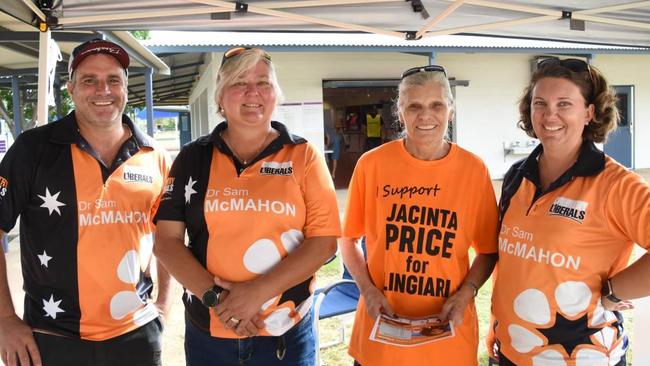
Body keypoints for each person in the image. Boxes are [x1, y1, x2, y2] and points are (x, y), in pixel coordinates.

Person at [153, 47, 340, 366]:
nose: (253, 92)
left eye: (263, 82)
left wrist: (256, 293)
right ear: (221, 97)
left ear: (275, 94)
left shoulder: (303, 156)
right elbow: (166, 242)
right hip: (209, 331)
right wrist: (218, 300)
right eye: (240, 81)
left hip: (285, 332)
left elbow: (323, 243)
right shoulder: (192, 158)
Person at [0, 39, 172, 366]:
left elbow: (168, 239)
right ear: (71, 88)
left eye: (113, 80)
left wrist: (163, 306)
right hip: (51, 339)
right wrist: (5, 319)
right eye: (89, 80)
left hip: (136, 338)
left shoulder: (154, 156)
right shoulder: (33, 149)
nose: (102, 90)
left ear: (125, 86)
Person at [491, 58, 650, 365]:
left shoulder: (616, 185)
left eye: (564, 103)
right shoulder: (516, 176)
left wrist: (614, 292)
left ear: (590, 112)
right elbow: (512, 263)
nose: (550, 115)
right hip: (513, 351)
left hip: (582, 355)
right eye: (541, 103)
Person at [340, 65, 499, 366]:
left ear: (450, 111)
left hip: (447, 340)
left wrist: (466, 294)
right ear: (400, 113)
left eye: (436, 105)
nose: (425, 116)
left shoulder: (473, 170)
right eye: (414, 106)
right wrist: (368, 291)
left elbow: (488, 251)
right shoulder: (371, 165)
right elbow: (348, 240)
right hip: (381, 338)